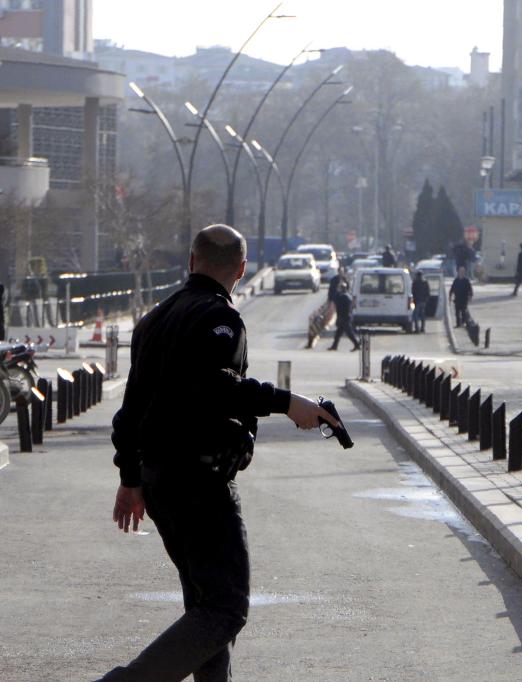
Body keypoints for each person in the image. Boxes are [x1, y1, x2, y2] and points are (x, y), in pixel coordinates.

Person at [102, 224, 339, 682]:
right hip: (199, 483)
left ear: (191, 261)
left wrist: (131, 478)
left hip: (160, 481)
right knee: (226, 609)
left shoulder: (156, 317)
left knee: (205, 605)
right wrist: (288, 403)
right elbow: (215, 385)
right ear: (242, 270)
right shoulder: (218, 318)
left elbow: (130, 411)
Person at [328, 279, 360, 351]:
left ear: (342, 289)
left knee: (349, 333)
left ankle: (357, 344)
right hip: (345, 316)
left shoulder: (343, 296)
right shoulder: (347, 296)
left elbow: (336, 303)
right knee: (338, 333)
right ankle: (334, 346)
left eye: (340, 288)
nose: (338, 289)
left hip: (344, 317)